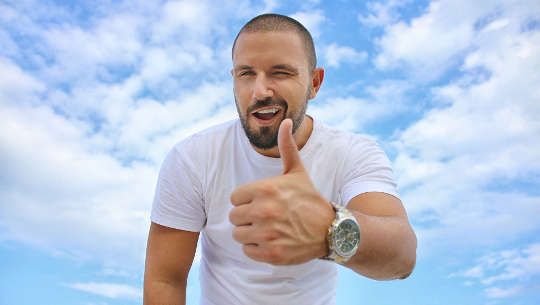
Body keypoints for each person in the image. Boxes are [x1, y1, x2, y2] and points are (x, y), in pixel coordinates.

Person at [144, 13, 417, 305]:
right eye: (246, 73)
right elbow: (165, 278)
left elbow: (402, 255)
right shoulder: (192, 158)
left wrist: (329, 228)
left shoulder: (352, 153)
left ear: (314, 82)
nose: (260, 91)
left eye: (281, 72)